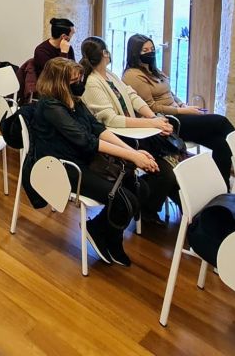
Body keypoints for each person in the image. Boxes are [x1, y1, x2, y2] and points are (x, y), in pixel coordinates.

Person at [29, 58, 159, 267]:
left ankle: (101, 230)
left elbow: (97, 129)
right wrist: (132, 156)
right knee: (124, 200)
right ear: (60, 83)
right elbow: (86, 140)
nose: (79, 83)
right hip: (62, 166)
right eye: (74, 80)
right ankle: (103, 234)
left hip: (84, 158)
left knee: (139, 188)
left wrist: (132, 152)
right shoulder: (50, 106)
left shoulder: (74, 101)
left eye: (78, 78)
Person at [78, 36, 178, 225]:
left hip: (133, 132)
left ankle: (173, 206)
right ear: (104, 54)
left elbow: (132, 96)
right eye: (107, 51)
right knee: (165, 169)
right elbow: (111, 120)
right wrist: (152, 124)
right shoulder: (92, 82)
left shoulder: (110, 75)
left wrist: (153, 118)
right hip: (118, 137)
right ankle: (146, 208)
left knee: (170, 164)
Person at [122, 34, 235, 182]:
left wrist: (182, 104)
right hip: (167, 121)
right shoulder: (133, 75)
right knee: (221, 122)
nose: (150, 52)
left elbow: (171, 93)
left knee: (221, 144)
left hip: (179, 114)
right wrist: (183, 111)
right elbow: (152, 107)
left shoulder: (154, 70)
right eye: (145, 50)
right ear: (135, 53)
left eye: (152, 49)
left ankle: (222, 186)